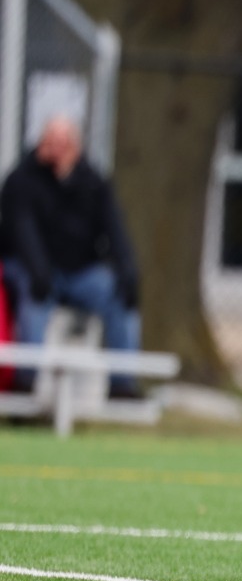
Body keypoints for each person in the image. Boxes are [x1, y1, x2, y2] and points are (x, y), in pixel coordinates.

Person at [0, 115, 143, 397]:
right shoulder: (21, 181)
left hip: (80, 272)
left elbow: (114, 227)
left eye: (64, 143)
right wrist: (39, 273)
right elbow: (23, 230)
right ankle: (26, 382)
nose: (57, 150)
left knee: (118, 295)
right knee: (35, 298)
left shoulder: (93, 183)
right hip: (35, 269)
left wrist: (128, 270)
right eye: (51, 142)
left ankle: (123, 383)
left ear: (76, 147)